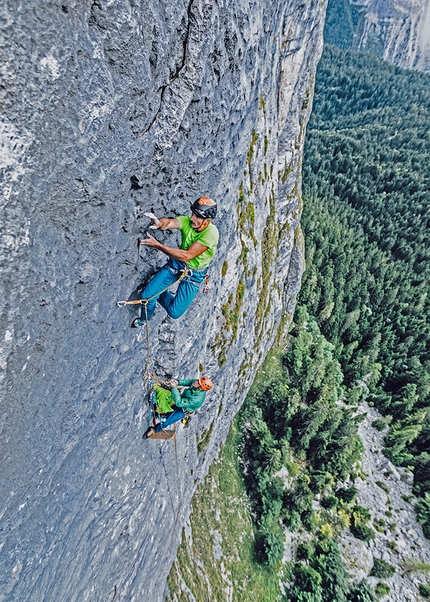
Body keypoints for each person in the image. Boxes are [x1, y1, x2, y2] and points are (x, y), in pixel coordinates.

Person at [132, 197, 219, 327]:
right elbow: (170, 223)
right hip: (177, 265)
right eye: (193, 214)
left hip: (194, 275)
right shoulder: (187, 222)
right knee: (147, 296)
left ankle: (158, 289)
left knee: (174, 312)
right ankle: (146, 318)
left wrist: (158, 245)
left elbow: (187, 256)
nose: (192, 219)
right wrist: (159, 223)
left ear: (207, 221)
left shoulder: (211, 233)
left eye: (197, 217)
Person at [144, 376, 213, 438]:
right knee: (166, 401)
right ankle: (160, 413)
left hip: (183, 409)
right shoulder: (196, 384)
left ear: (200, 388)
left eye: (198, 382)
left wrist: (174, 388)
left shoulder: (196, 399)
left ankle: (154, 430)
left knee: (166, 421)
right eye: (198, 380)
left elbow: (179, 403)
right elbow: (188, 382)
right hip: (181, 399)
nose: (196, 381)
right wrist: (178, 382)